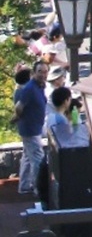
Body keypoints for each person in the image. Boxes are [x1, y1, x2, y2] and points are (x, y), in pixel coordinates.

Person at [14, 60, 48, 196]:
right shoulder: (29, 88)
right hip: (30, 129)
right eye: (40, 71)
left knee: (28, 157)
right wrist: (17, 117)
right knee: (38, 158)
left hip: (35, 128)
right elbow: (18, 107)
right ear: (34, 73)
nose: (43, 74)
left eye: (45, 71)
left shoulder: (39, 86)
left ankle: (24, 186)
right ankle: (38, 189)